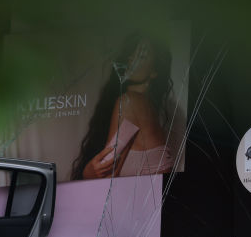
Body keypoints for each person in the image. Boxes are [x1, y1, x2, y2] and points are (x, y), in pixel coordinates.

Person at [71, 34, 175, 180]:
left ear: (154, 72)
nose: (131, 58)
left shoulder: (129, 102)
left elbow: (106, 173)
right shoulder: (150, 110)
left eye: (142, 56)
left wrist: (86, 172)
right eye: (132, 53)